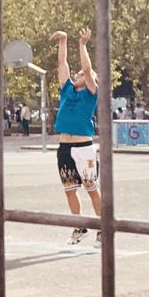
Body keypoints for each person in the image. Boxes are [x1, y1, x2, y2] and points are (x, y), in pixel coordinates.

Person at [50, 28, 102, 247]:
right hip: (65, 148)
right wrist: (64, 41)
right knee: (70, 190)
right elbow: (62, 64)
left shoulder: (91, 92)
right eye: (78, 73)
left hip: (84, 147)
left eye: (81, 74)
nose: (78, 74)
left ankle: (103, 228)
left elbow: (88, 69)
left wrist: (82, 45)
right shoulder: (67, 90)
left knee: (92, 189)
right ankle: (80, 226)